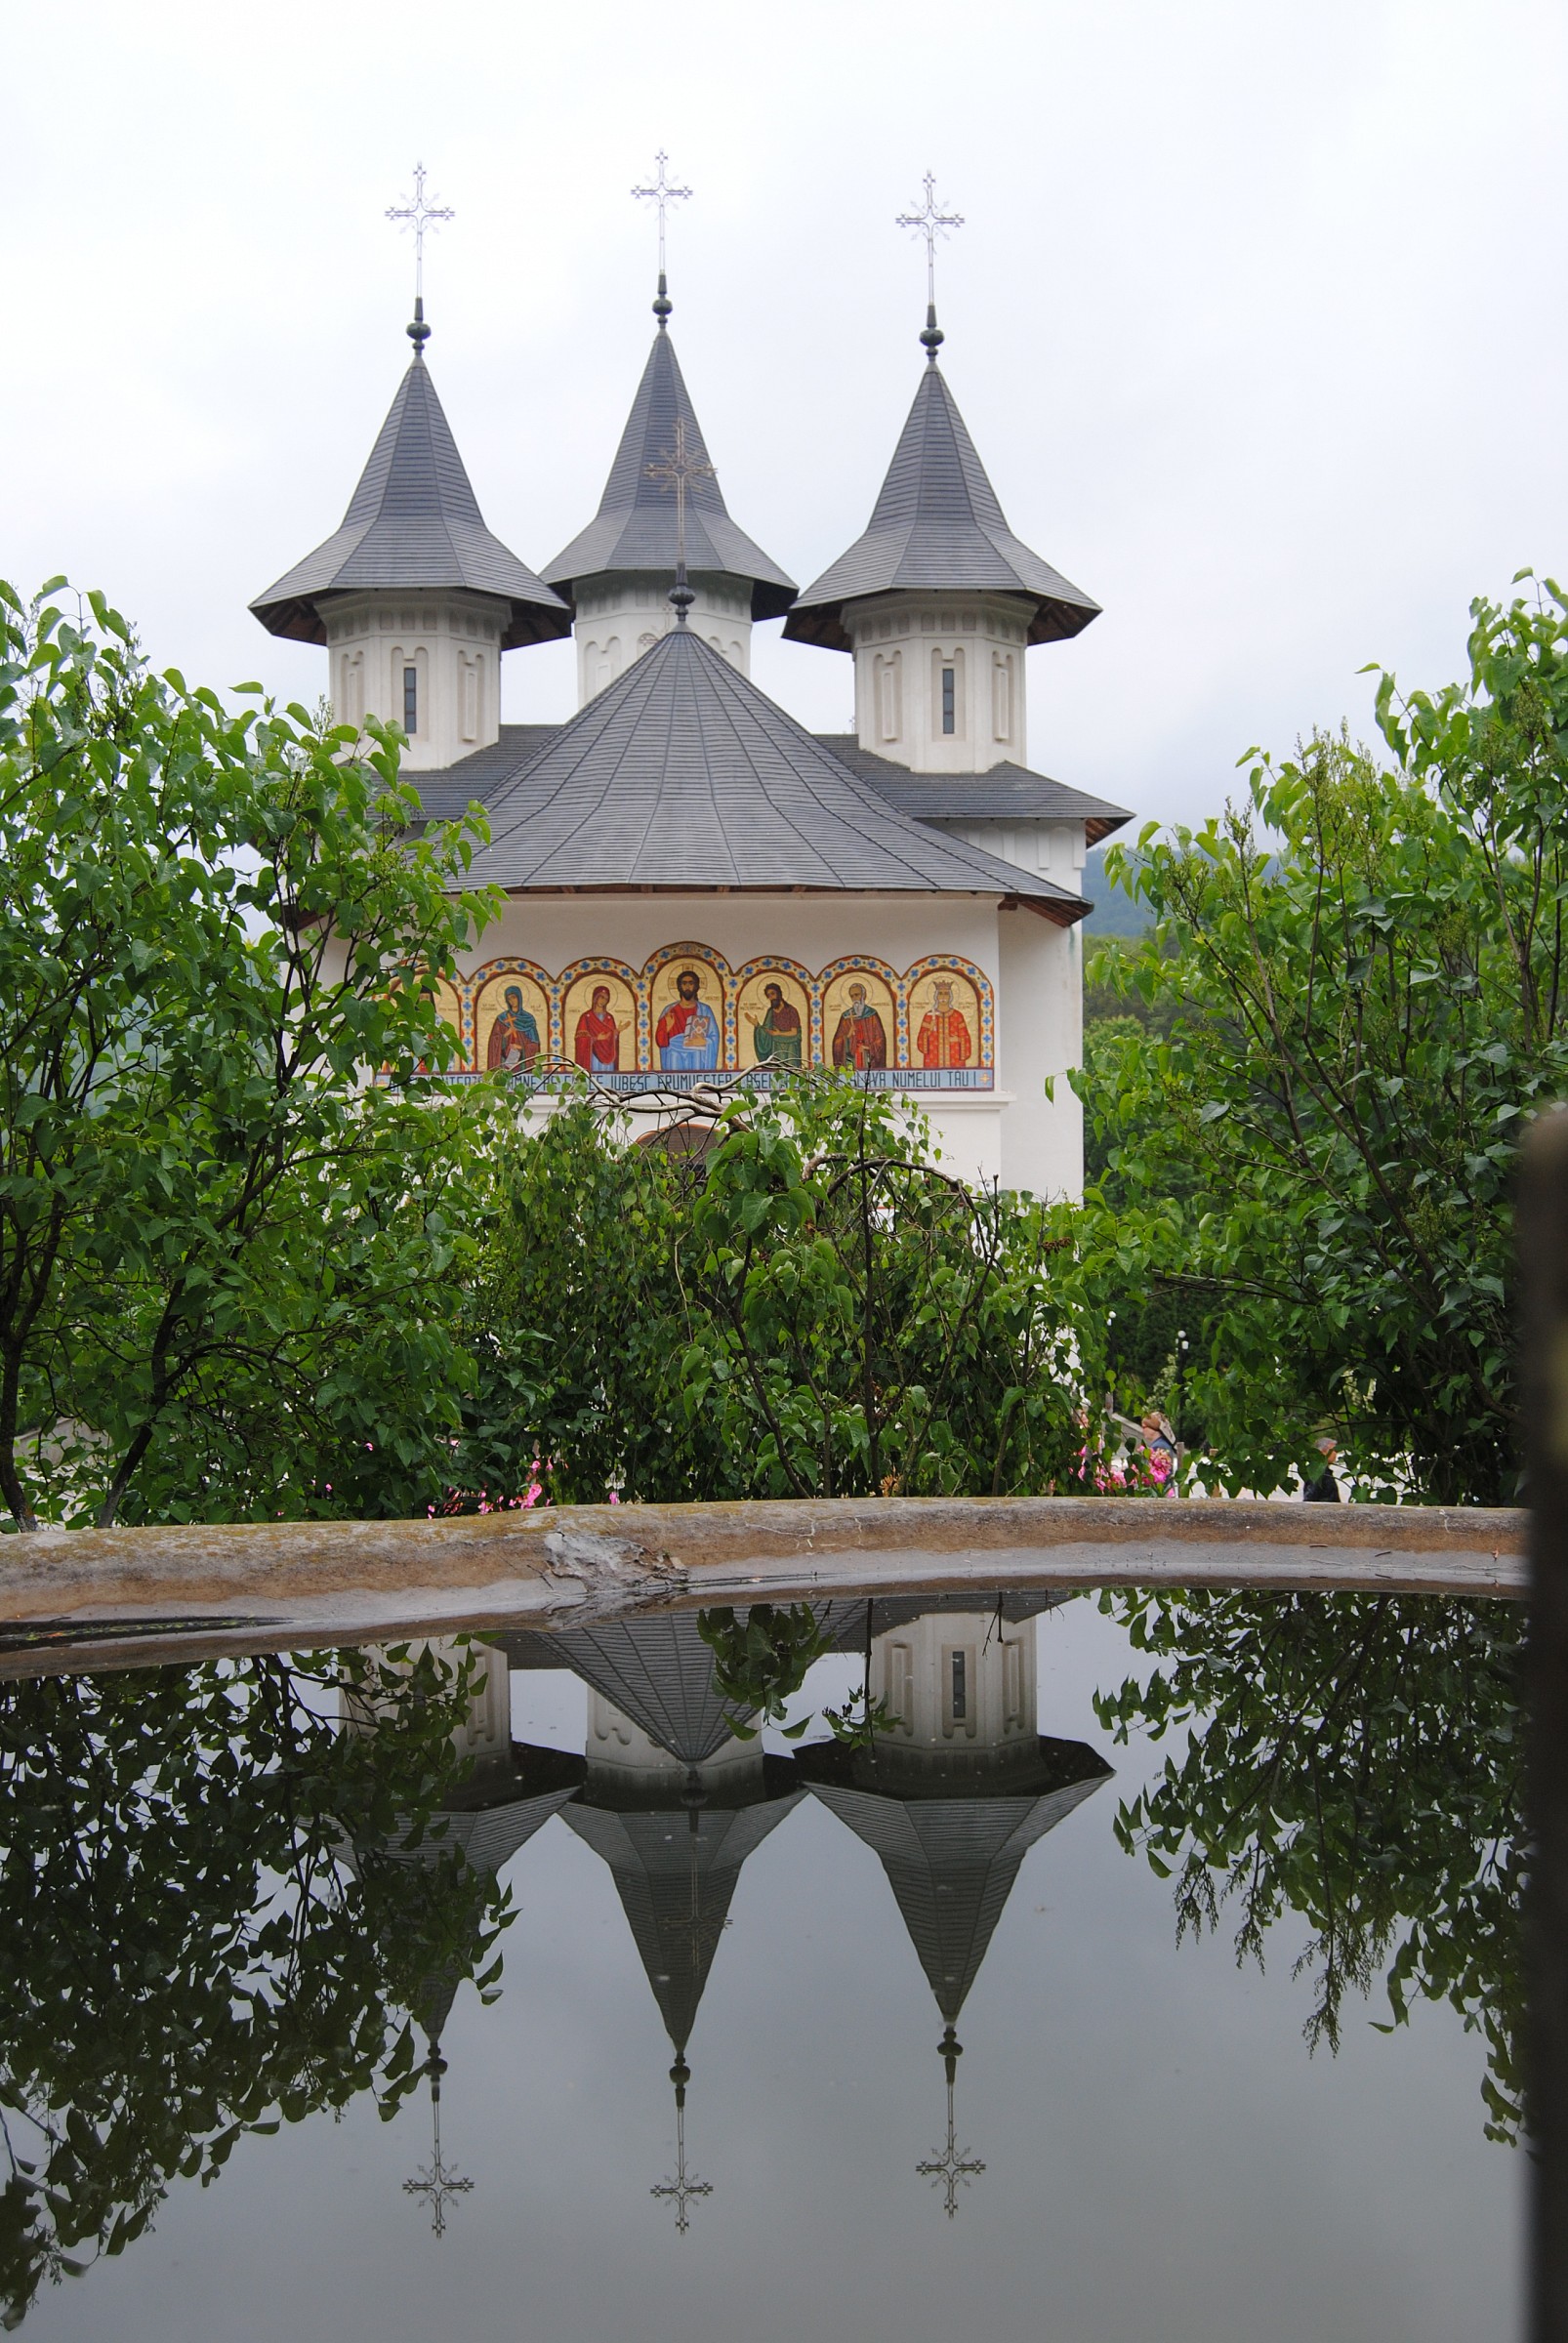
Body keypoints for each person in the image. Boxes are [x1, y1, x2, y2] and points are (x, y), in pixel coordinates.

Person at [655, 967, 721, 1071]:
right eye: (684, 983)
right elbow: (660, 1041)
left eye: (691, 983)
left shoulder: (704, 1010)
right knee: (674, 1083)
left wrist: (703, 1041)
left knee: (698, 1082)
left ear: (696, 986)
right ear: (679, 986)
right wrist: (667, 1027)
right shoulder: (669, 1011)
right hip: (674, 1053)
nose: (687, 987)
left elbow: (714, 1037)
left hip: (696, 1054)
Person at [916, 978, 972, 1070]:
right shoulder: (929, 1016)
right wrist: (929, 1029)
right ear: (936, 996)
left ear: (950, 997)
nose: (943, 997)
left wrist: (957, 1039)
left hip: (954, 1059)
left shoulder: (957, 1016)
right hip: (933, 1060)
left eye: (946, 994)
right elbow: (920, 1042)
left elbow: (965, 1038)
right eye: (940, 994)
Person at [830, 981, 887, 1072]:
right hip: (851, 1058)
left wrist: (868, 1047)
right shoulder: (846, 1017)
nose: (855, 999)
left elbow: (880, 1039)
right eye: (852, 996)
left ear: (864, 996)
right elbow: (837, 1043)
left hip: (867, 1057)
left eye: (857, 995)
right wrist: (848, 1035)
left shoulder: (872, 1015)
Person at [487, 983, 541, 1072]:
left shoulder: (529, 1019)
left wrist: (521, 1047)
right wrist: (505, 1035)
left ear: (519, 997)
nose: (512, 1001)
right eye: (509, 999)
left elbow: (535, 1045)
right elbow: (493, 1042)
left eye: (514, 997)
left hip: (523, 1064)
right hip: (505, 1062)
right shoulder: (501, 1019)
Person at [750, 980, 803, 1069]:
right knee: (778, 1071)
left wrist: (779, 1033)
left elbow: (794, 1032)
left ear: (779, 994)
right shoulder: (771, 1012)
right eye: (769, 996)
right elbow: (766, 1032)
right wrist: (757, 1025)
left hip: (791, 1047)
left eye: (773, 994)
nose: (771, 997)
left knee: (791, 1070)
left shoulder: (791, 1010)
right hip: (776, 1047)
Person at [573, 983, 622, 1074]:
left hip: (607, 1056)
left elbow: (613, 1039)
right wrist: (596, 1038)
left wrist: (616, 1033)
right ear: (595, 997)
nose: (603, 1001)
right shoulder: (586, 1017)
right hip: (593, 1055)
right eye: (601, 997)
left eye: (606, 999)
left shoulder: (609, 1017)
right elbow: (580, 1039)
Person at [1302, 1434, 1341, 1501]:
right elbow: (1310, 1497)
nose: (1335, 1453)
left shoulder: (1324, 1471)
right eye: (1333, 1450)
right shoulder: (1317, 1472)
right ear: (1322, 1452)